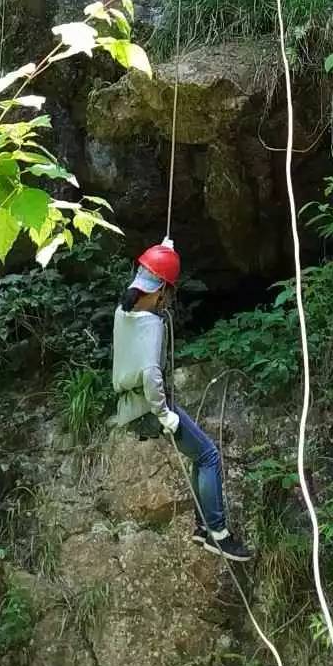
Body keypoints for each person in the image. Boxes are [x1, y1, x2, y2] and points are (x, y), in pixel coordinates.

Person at [111, 240, 251, 563]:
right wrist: (165, 414)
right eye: (168, 293)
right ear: (161, 292)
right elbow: (150, 373)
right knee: (209, 456)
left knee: (198, 455)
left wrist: (163, 253)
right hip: (150, 407)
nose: (168, 302)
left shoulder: (123, 314)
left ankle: (203, 526)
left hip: (130, 409)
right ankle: (219, 534)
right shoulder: (153, 324)